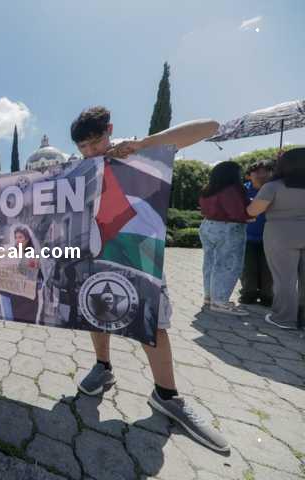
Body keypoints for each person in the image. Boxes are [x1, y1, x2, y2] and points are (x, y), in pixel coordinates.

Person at [70, 106, 229, 453]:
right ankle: (103, 367)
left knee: (152, 323)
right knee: (95, 312)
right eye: (83, 147)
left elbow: (210, 125)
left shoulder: (135, 151)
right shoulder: (78, 166)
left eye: (95, 142)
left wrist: (142, 144)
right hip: (95, 251)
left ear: (109, 130)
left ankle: (166, 395)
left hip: (140, 252)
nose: (91, 151)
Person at [247, 148, 305, 330]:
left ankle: (284, 318)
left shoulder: (274, 186)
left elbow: (253, 211)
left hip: (281, 234)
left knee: (284, 278)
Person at [198, 161, 252, 316]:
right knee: (228, 265)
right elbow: (237, 212)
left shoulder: (207, 189)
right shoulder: (231, 190)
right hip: (228, 228)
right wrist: (250, 215)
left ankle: (210, 297)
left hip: (208, 226)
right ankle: (220, 301)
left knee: (210, 262)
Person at [239, 161, 274, 306]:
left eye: (266, 171)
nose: (262, 175)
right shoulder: (242, 190)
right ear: (249, 175)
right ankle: (248, 294)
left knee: (269, 269)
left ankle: (268, 296)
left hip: (271, 238)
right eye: (257, 172)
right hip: (247, 237)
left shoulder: (274, 188)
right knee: (248, 268)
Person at [0, 226, 43, 323]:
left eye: (20, 237)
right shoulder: (10, 253)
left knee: (27, 325)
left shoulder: (32, 254)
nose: (17, 240)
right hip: (11, 296)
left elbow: (38, 280)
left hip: (28, 299)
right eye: (16, 237)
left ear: (27, 238)